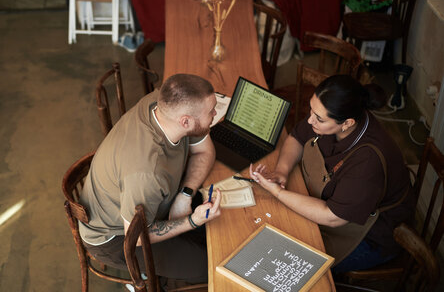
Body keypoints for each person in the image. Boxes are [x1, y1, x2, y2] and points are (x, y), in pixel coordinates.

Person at [250, 74, 414, 273]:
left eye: (318, 118)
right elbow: (298, 136)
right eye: (311, 110)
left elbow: (333, 216)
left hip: (369, 237)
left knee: (285, 265)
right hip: (333, 208)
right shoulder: (332, 117)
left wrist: (278, 192)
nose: (310, 119)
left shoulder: (368, 162)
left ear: (347, 123)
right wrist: (281, 171)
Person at [79, 73, 222, 284]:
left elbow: (204, 152)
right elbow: (135, 237)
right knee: (214, 265)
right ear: (186, 121)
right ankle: (160, 282)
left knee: (220, 232)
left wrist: (185, 195)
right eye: (211, 111)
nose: (216, 113)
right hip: (116, 237)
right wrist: (191, 221)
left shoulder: (161, 101)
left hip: (147, 206)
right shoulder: (146, 173)